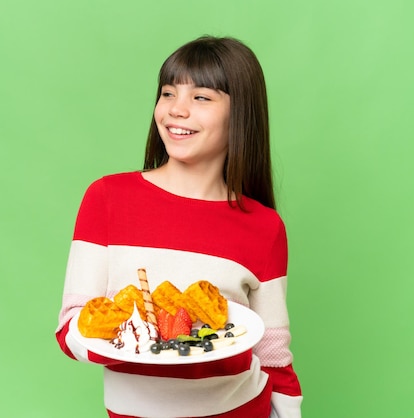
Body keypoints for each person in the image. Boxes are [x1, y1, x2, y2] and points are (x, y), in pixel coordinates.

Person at [56, 36, 302, 418]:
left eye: (201, 97)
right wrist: (136, 342)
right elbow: (71, 329)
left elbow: (272, 354)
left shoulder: (264, 226)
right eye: (168, 93)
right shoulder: (107, 198)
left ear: (240, 114)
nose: (176, 110)